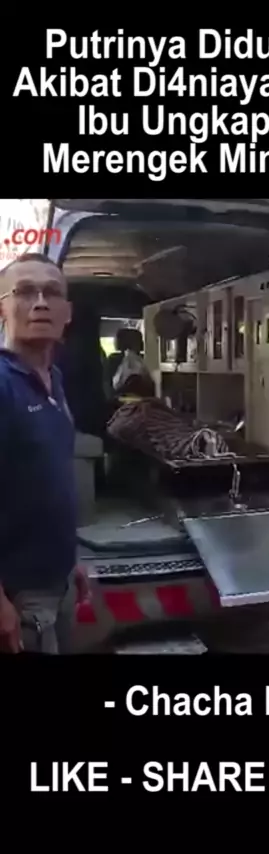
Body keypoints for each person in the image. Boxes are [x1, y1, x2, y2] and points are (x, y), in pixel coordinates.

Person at [0, 253, 90, 654]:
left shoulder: (53, 378)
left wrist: (71, 562)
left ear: (67, 312)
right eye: (24, 292)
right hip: (18, 593)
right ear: (2, 308)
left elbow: (50, 478)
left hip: (57, 581)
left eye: (52, 293)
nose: (40, 303)